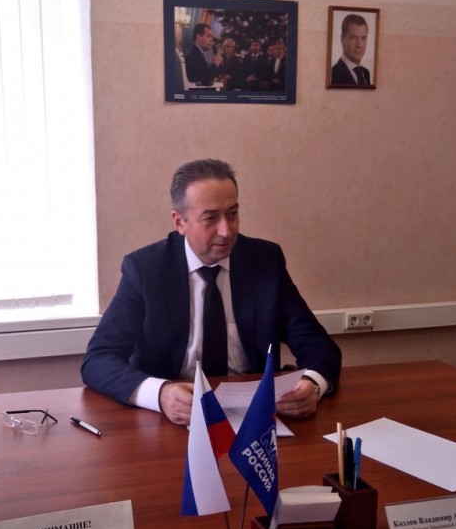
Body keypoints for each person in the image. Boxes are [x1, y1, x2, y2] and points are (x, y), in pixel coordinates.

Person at [81, 159, 342, 426]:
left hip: (254, 421)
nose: (226, 231)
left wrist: (313, 384)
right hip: (173, 421)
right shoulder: (146, 270)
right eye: (210, 218)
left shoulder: (265, 262)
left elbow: (318, 345)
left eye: (232, 214)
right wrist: (160, 394)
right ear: (180, 222)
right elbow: (98, 360)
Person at [330, 14, 371, 86]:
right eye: (353, 38)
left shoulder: (366, 73)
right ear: (342, 39)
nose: (359, 45)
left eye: (363, 38)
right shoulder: (333, 74)